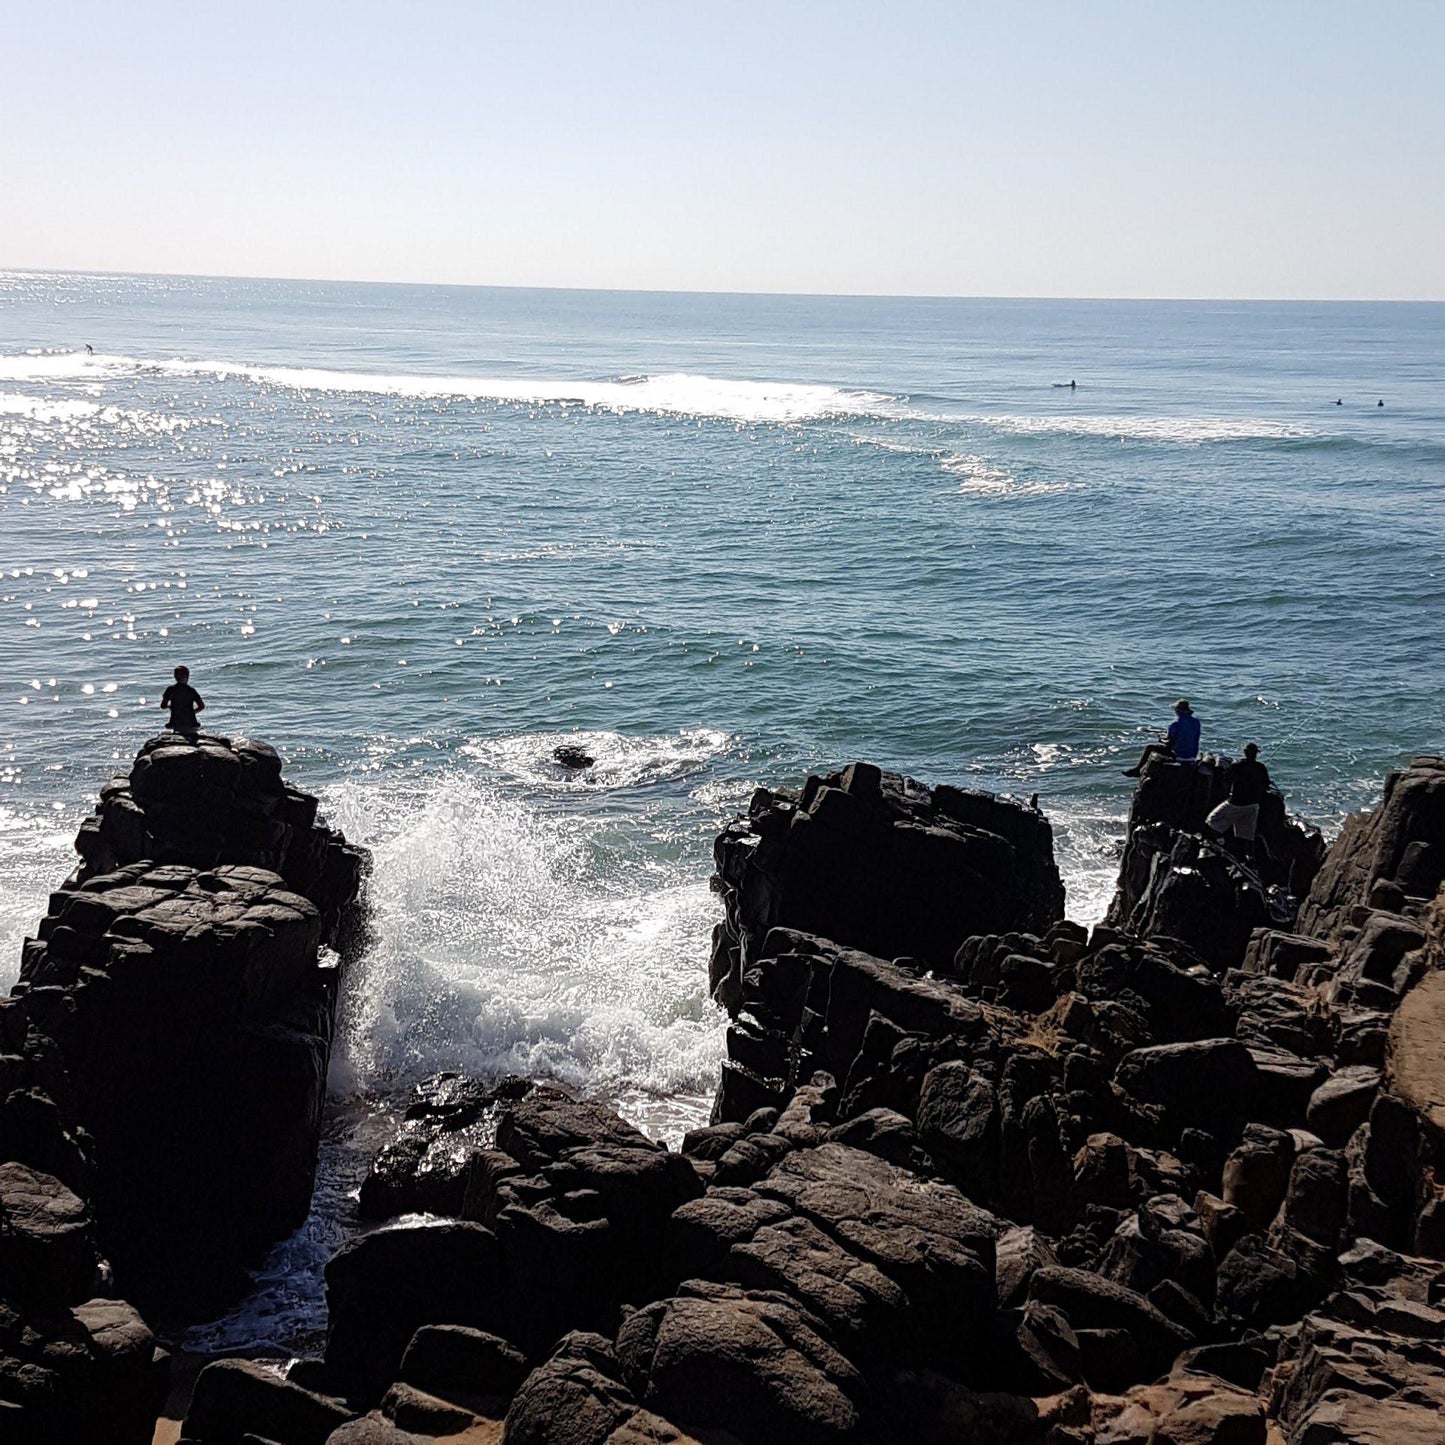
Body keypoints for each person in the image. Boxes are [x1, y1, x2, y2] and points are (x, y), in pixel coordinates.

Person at [1207, 743, 1270, 847]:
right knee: (1248, 836)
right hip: (1253, 805)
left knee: (1211, 820)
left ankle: (1220, 841)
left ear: (1245, 753)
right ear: (1256, 754)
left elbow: (1226, 781)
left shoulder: (1236, 766)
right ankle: (1249, 857)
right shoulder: (1261, 767)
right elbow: (1266, 785)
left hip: (1235, 803)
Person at [1123, 698, 1200, 777]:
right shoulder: (1196, 722)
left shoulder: (1175, 724)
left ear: (1178, 710)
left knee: (1150, 747)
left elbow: (1170, 742)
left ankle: (1137, 770)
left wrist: (1161, 739)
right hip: (1192, 756)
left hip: (1178, 755)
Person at [160, 666, 205, 734]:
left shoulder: (170, 690)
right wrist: (192, 713)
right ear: (187, 677)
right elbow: (202, 706)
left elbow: (163, 706)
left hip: (175, 722)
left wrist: (170, 706)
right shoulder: (191, 690)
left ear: (175, 677)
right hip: (191, 722)